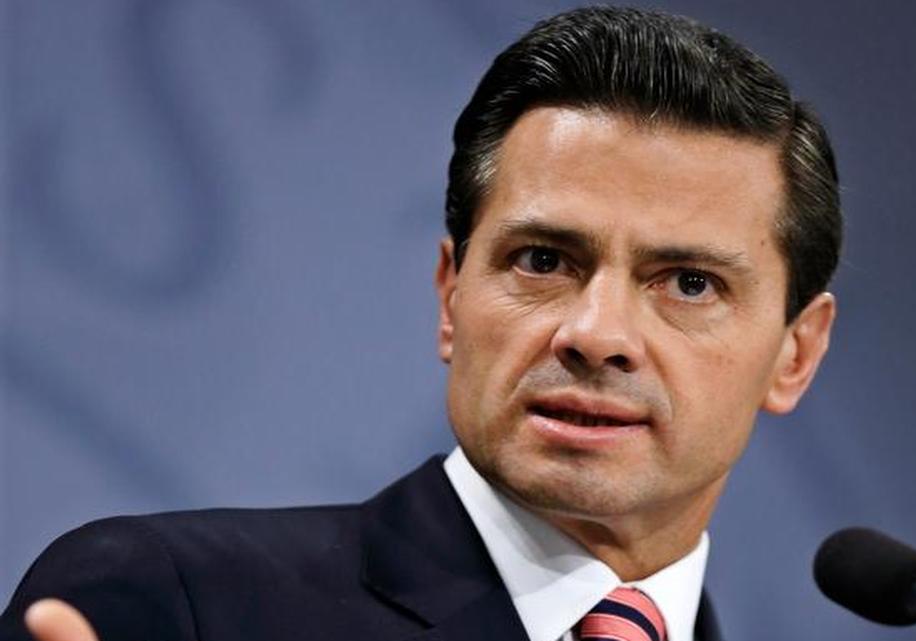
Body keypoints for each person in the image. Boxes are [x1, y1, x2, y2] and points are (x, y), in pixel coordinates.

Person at [1, 6, 840, 641]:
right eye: (544, 261)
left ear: (793, 355)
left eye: (688, 282)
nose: (596, 332)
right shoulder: (173, 601)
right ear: (450, 295)